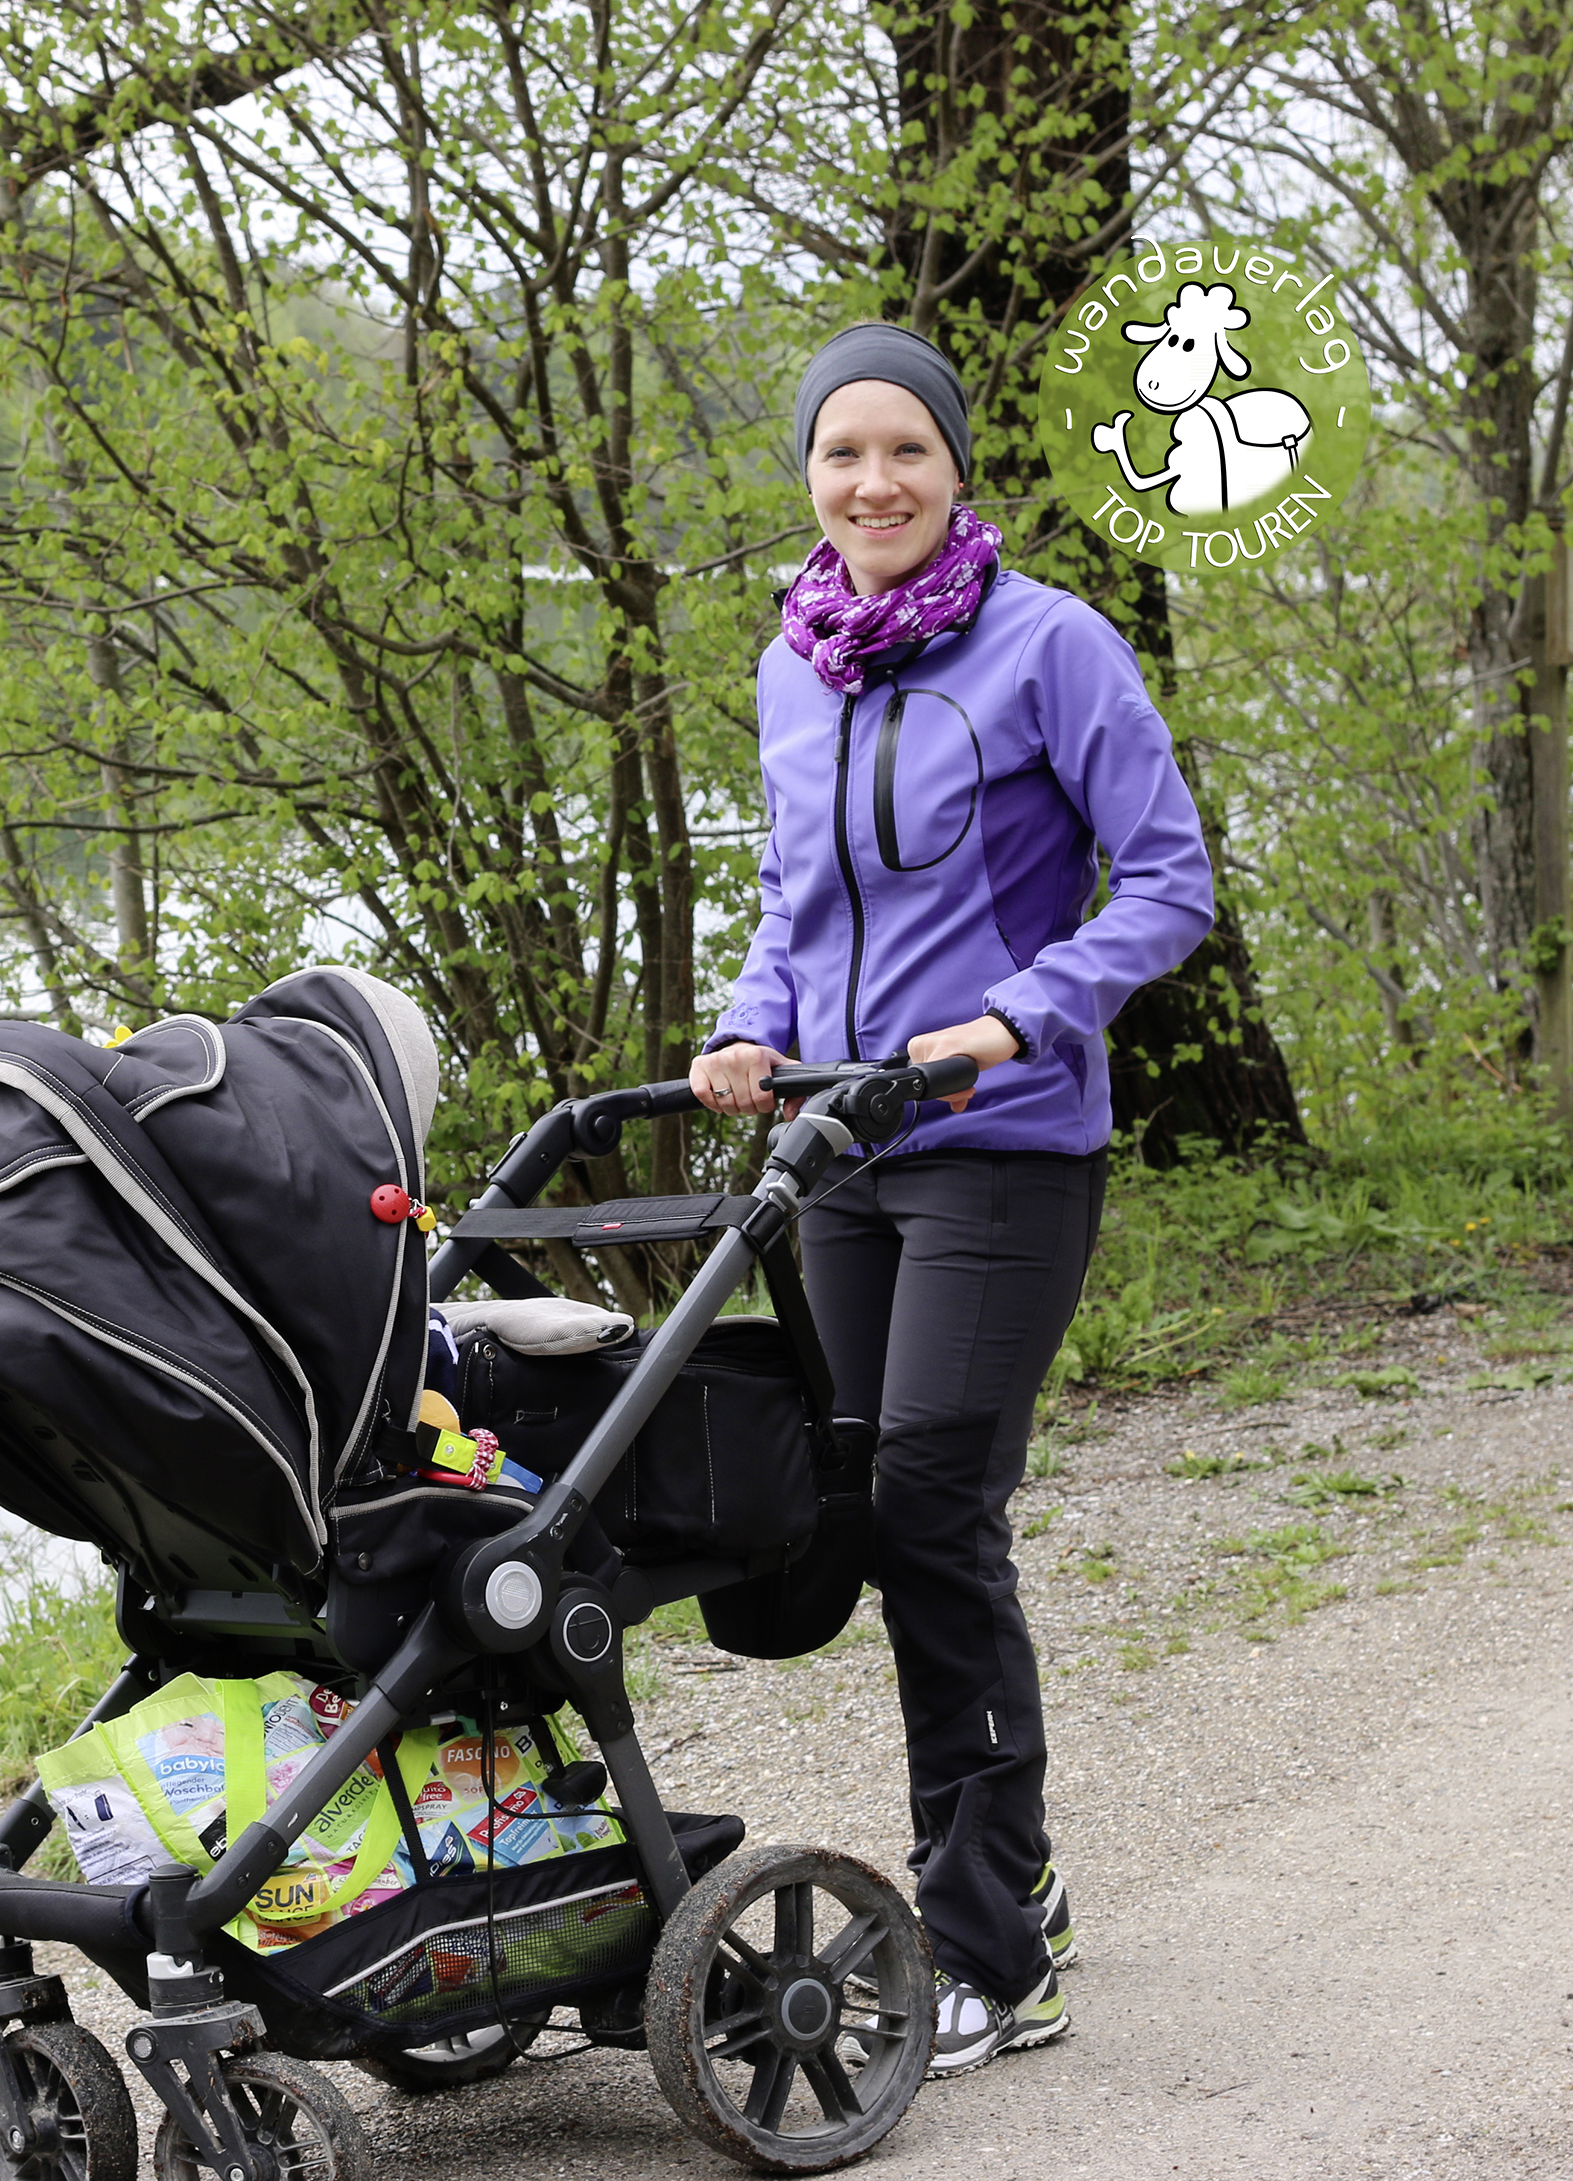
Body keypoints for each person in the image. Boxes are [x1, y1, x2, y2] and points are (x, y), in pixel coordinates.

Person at [688, 322, 1214, 2077]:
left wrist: (1020, 1015)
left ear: (956, 468)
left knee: (932, 1509)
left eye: (905, 451)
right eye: (842, 453)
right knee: (845, 1504)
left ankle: (994, 1937)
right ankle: (1011, 1889)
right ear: (809, 476)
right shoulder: (794, 664)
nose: (873, 484)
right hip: (837, 1150)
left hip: (1002, 1143)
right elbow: (792, 893)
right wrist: (752, 1028)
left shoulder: (1050, 645)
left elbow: (1166, 882)